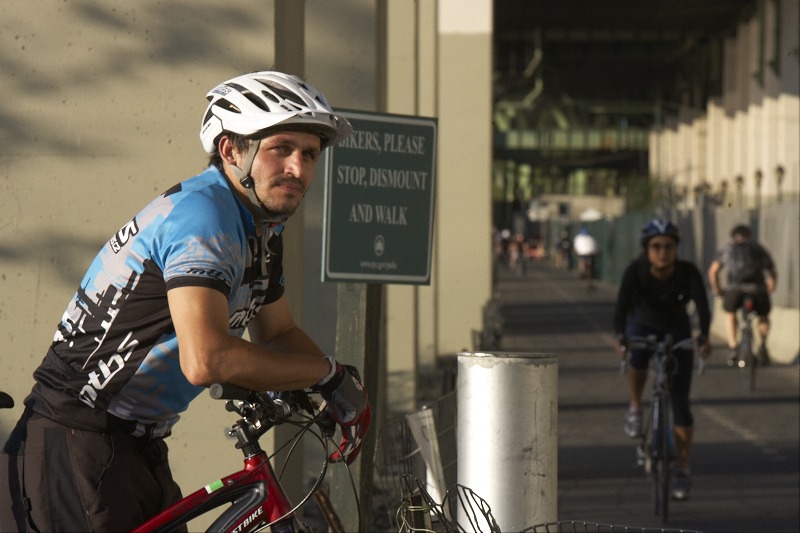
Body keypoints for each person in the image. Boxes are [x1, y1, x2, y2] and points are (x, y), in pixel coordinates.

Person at [0, 71, 371, 532]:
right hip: (78, 435)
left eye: (310, 154)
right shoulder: (204, 215)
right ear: (232, 150)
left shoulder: (260, 227)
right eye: (281, 149)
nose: (298, 168)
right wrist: (326, 373)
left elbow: (278, 333)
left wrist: (337, 388)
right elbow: (207, 359)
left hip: (137, 442)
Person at [613, 219, 712, 501]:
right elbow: (620, 309)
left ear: (676, 248)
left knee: (680, 403)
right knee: (638, 355)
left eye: (669, 246)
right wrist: (620, 337)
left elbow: (703, 307)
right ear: (647, 249)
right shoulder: (636, 271)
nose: (662, 252)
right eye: (656, 247)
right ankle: (634, 407)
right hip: (642, 325)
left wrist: (704, 337)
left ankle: (682, 468)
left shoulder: (687, 272)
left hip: (676, 329)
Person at [707, 224, 777, 366]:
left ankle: (733, 347)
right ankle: (763, 345)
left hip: (734, 290)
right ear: (749, 235)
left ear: (733, 236)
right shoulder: (758, 248)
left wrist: (717, 289)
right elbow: (772, 271)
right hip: (757, 289)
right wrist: (771, 286)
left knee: (731, 313)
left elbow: (713, 271)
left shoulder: (727, 249)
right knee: (763, 316)